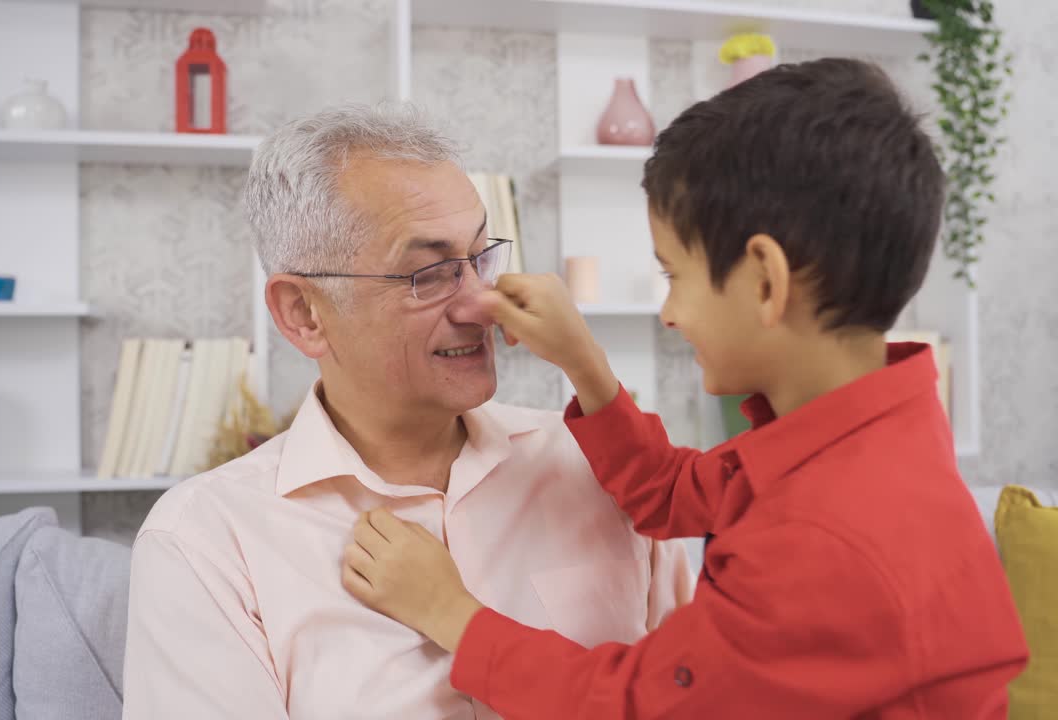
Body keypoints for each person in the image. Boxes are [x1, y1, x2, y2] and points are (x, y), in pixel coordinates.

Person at [340, 59, 1030, 718]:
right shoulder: (869, 440)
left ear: (764, 280)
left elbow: (635, 709)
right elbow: (673, 493)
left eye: (674, 275)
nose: (668, 312)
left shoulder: (822, 540)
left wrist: (449, 613)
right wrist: (585, 365)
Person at [120, 104, 693, 720]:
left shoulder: (604, 467)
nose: (481, 303)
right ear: (304, 314)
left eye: (481, 257)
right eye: (430, 273)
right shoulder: (206, 540)